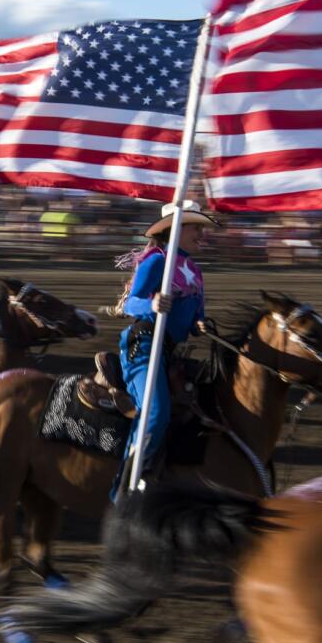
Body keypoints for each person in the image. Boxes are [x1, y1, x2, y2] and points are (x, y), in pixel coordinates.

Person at [113, 200, 218, 500]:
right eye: (196, 227)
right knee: (156, 413)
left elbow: (195, 316)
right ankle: (125, 487)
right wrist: (152, 304)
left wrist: (200, 325)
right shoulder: (157, 261)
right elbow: (130, 304)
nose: (202, 233)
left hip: (170, 350)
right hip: (144, 345)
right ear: (176, 229)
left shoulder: (194, 270)